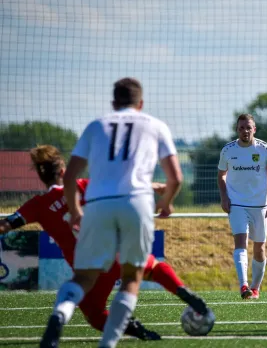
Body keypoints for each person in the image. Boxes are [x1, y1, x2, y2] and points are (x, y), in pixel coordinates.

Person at [40, 78, 212, 348]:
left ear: (113, 103)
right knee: (132, 277)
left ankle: (60, 316)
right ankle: (107, 344)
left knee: (83, 278)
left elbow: (71, 174)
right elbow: (176, 178)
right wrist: (165, 203)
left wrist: (74, 211)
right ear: (140, 104)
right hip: (137, 202)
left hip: (97, 203)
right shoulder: (155, 125)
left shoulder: (96, 126)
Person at [0, 145, 211, 341]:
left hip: (88, 270)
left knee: (94, 314)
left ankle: (135, 328)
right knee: (153, 268)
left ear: (40, 175)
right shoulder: (83, 186)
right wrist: (156, 186)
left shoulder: (36, 206)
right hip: (116, 253)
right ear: (63, 170)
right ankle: (182, 291)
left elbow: (7, 224)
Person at [217, 114, 267, 299]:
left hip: (261, 205)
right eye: (241, 128)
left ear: (254, 129)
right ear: (237, 130)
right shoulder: (228, 150)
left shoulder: (265, 150)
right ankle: (243, 285)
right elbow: (221, 175)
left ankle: (255, 288)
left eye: (248, 128)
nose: (245, 131)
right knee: (241, 242)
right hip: (236, 203)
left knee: (259, 249)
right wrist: (224, 197)